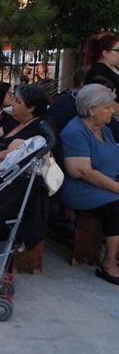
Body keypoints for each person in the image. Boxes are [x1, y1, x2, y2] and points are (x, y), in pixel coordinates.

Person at [60, 84, 119, 286]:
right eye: (107, 107)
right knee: (116, 206)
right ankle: (109, 263)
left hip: (105, 184)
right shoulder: (75, 131)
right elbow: (82, 172)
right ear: (92, 110)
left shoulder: (104, 129)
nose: (112, 111)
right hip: (81, 189)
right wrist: (117, 188)